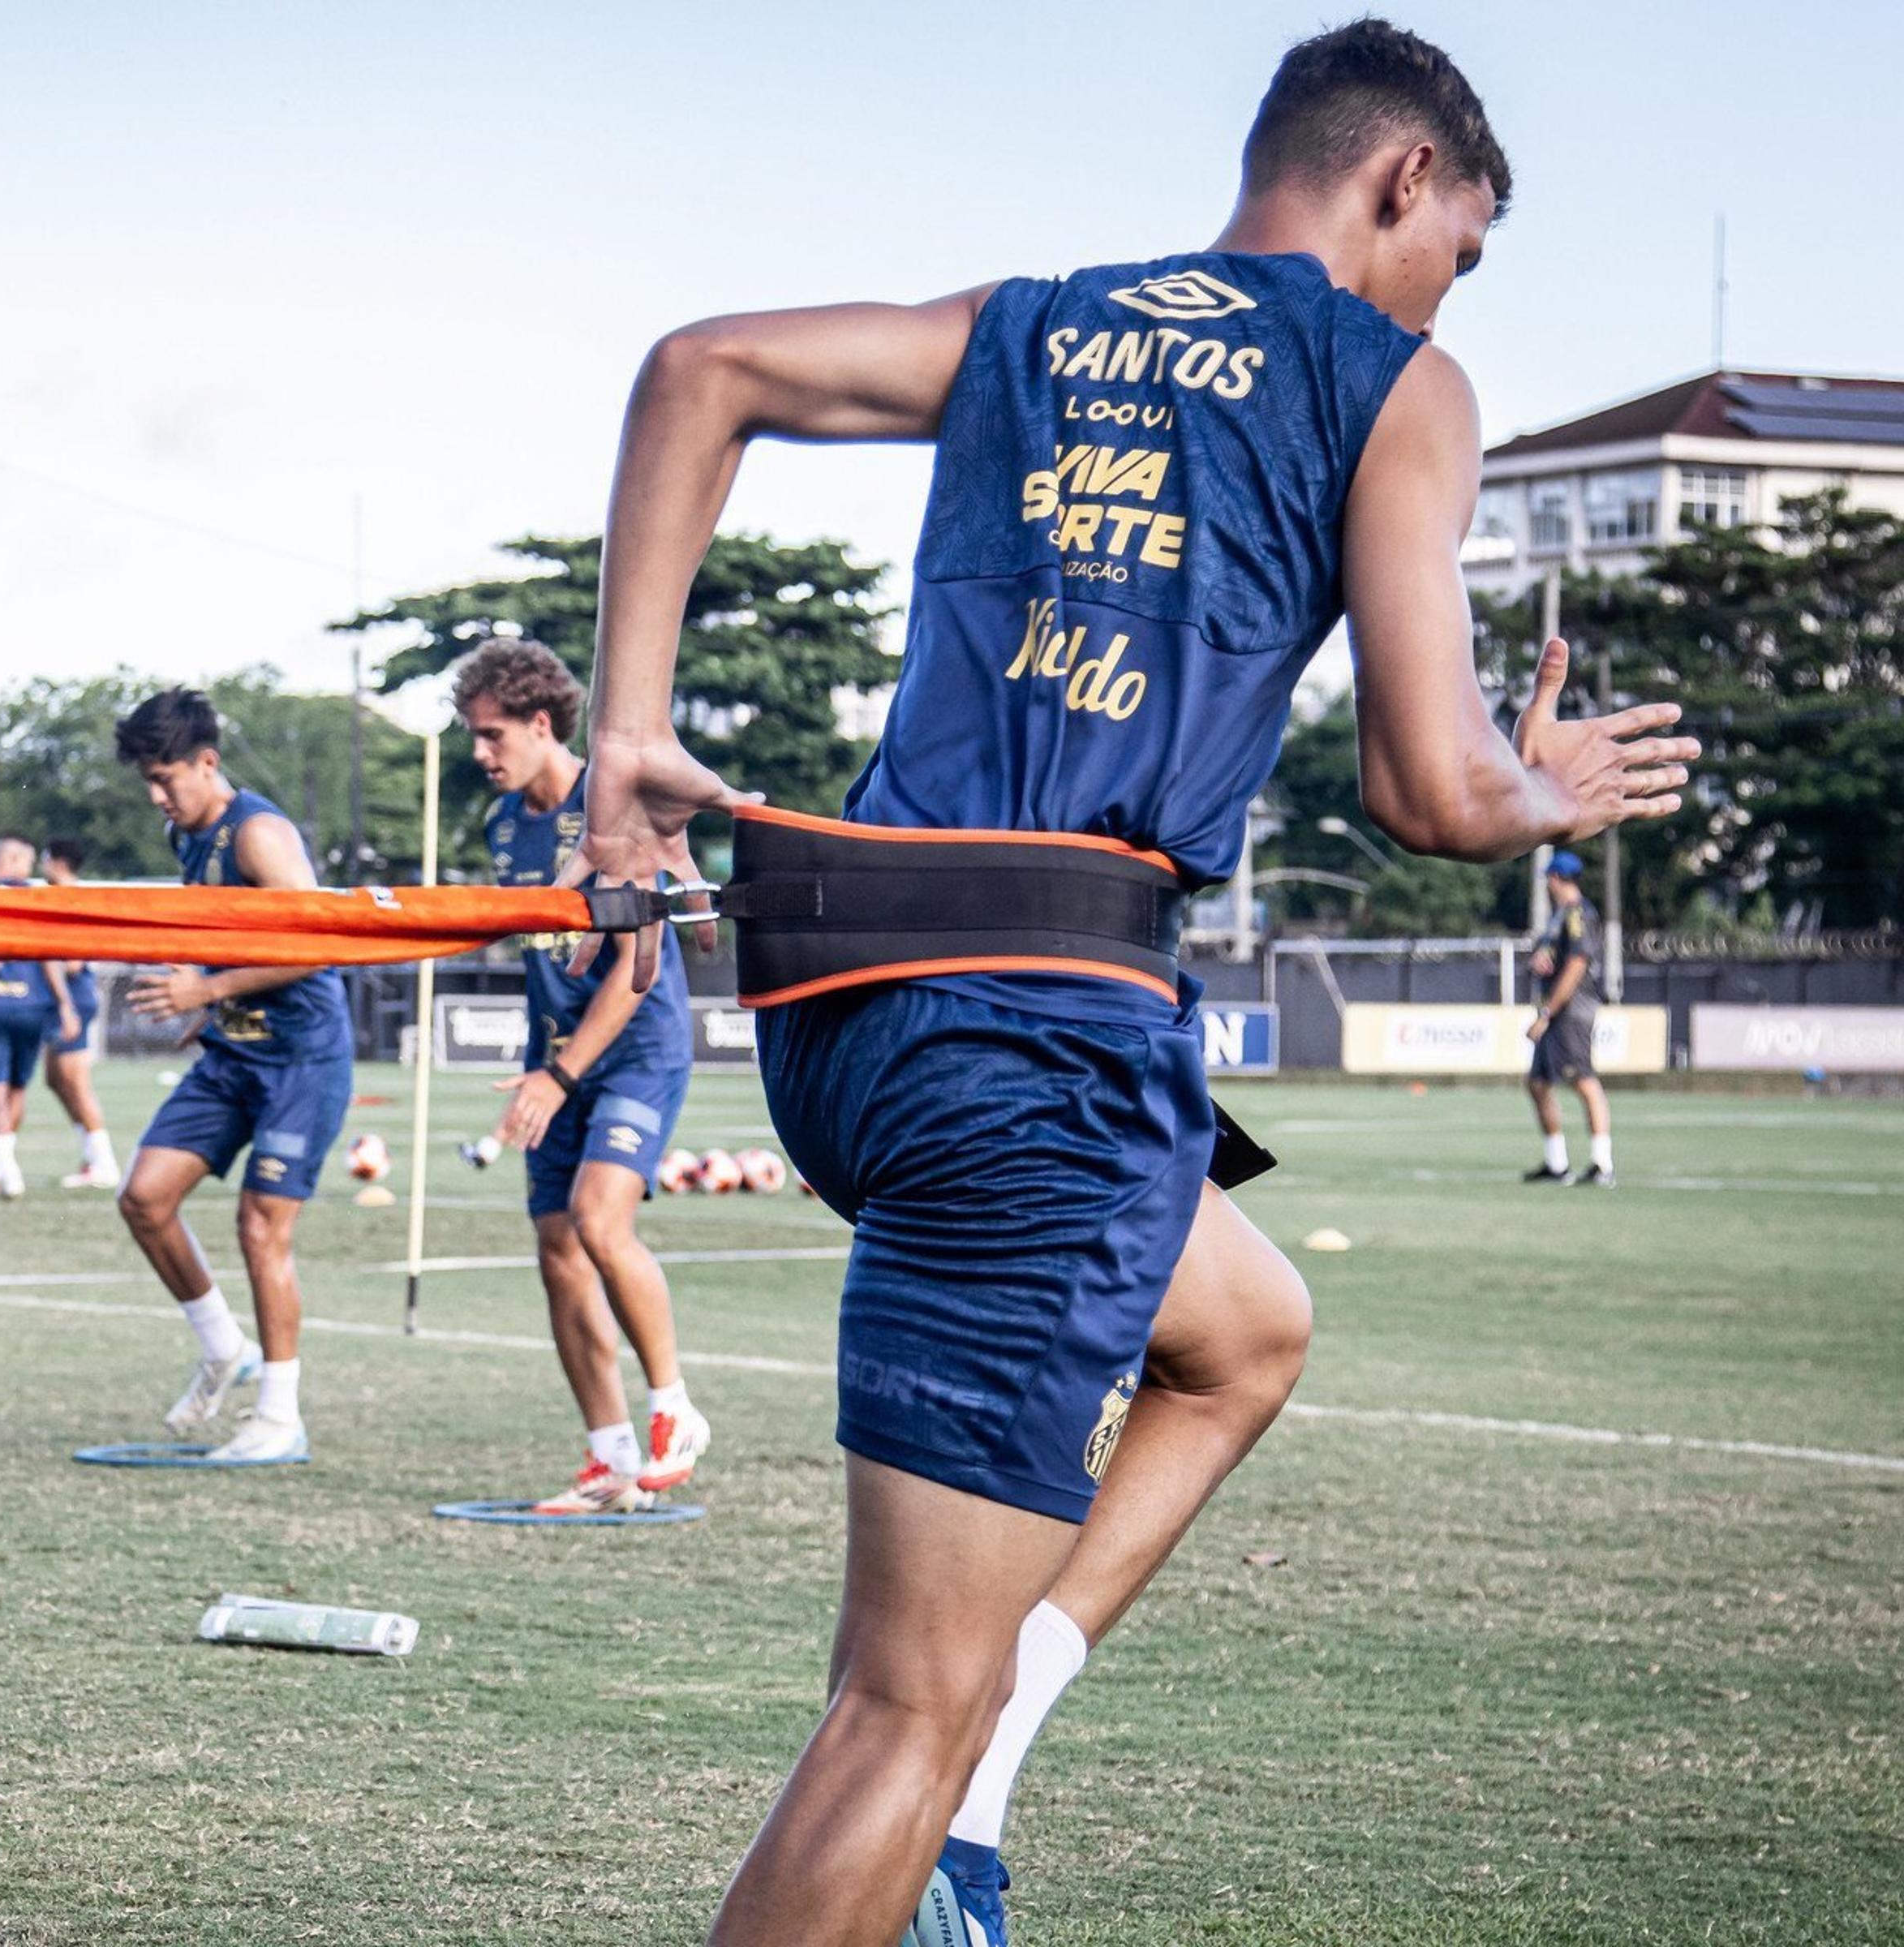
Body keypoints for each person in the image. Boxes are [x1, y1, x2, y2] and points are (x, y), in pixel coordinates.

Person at [567, 24, 1695, 1944]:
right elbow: (1430, 789)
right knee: (887, 1704)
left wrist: (623, 733)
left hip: (849, 997)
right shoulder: (1395, 379)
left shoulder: (1038, 320)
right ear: (1401, 182)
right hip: (1037, 1026)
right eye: (1463, 249)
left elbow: (701, 366)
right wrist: (1544, 790)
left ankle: (1000, 1721)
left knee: (1240, 1327)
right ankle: (955, 1740)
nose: (1449, 289)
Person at [458, 642, 712, 1513]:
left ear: (540, 723)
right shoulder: (501, 826)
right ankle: (609, 1463)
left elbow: (628, 970)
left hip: (634, 1042)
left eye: (492, 735)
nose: (481, 754)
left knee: (602, 1225)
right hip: (556, 1057)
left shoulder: (606, 803)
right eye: (472, 738)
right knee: (557, 1251)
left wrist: (559, 1077)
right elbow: (540, 955)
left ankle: (675, 1412)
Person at [111, 689, 355, 1464]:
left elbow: (322, 945)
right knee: (144, 1199)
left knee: (260, 1225)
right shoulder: (186, 834)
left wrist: (207, 989)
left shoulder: (261, 834)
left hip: (301, 1059)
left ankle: (280, 1417)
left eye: (166, 779)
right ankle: (224, 1347)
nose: (156, 796)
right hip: (233, 1053)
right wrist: (205, 1005)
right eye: (147, 781)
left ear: (206, 763)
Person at [0, 833, 75, 1201]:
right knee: (16, 1089)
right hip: (32, 1006)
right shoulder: (34, 897)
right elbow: (49, 955)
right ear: (15, 860)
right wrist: (64, 1002)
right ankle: (4, 1168)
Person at [1523, 851, 1613, 1186]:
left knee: (1583, 1080)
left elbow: (1577, 964)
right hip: (1556, 1007)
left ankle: (1602, 1164)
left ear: (1557, 879)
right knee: (1538, 1083)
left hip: (1570, 1008)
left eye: (1550, 877)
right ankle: (1556, 1164)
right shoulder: (1560, 916)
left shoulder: (1577, 914)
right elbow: (1558, 959)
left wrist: (1547, 1013)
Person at [40, 836, 122, 1189]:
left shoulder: (68, 898)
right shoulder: (66, 895)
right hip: (68, 997)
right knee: (55, 1079)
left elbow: (71, 961)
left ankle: (105, 1162)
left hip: (72, 996)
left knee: (75, 1081)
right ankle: (92, 1156)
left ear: (57, 863)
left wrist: (64, 1004)